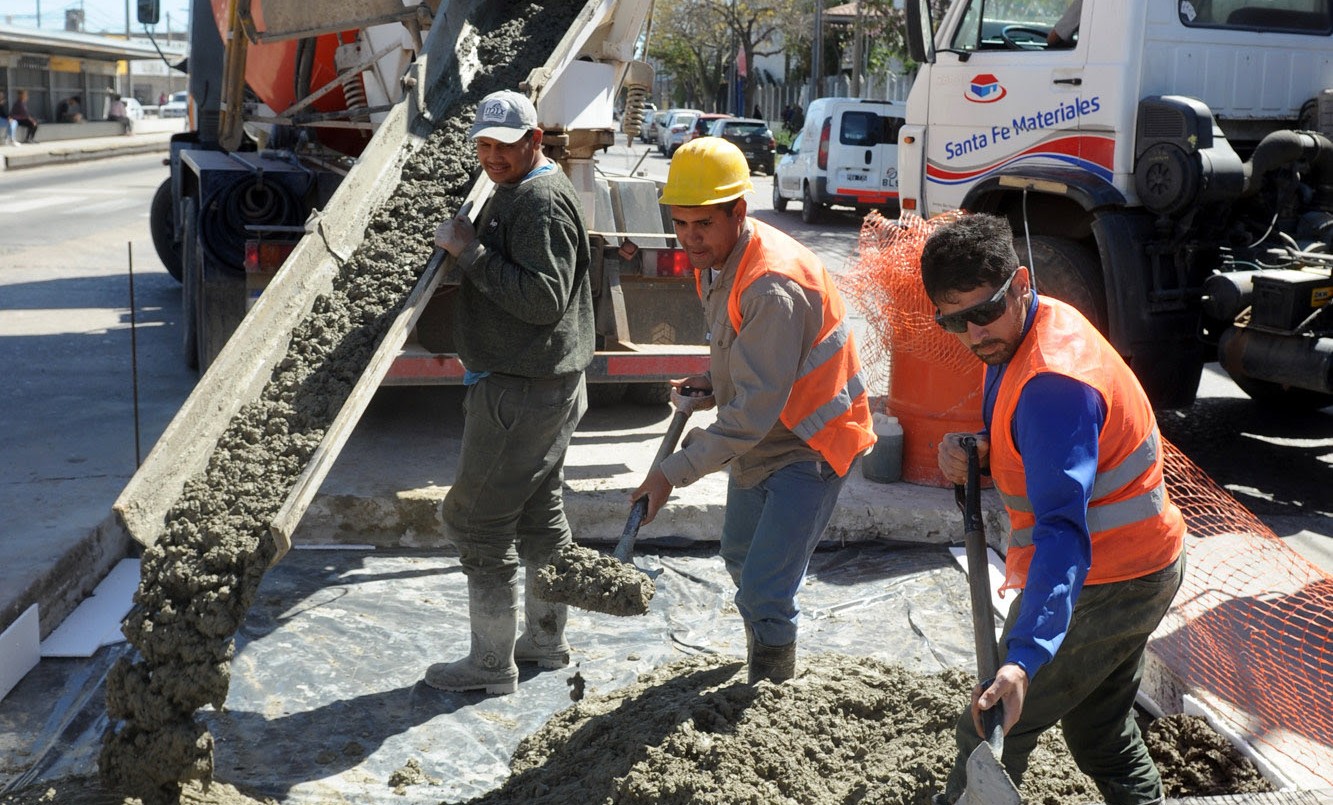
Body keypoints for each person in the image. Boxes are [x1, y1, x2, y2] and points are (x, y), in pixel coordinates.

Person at [920, 214, 1185, 805]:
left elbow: (1062, 534)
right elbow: (1048, 450)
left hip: (1109, 577)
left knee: (991, 722)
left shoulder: (1053, 383)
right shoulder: (1026, 329)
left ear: (1018, 282)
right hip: (1144, 563)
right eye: (954, 320)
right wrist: (983, 455)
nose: (973, 334)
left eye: (982, 312)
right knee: (1099, 734)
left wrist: (1024, 660)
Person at [631, 137, 876, 684]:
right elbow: (751, 359)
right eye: (682, 223)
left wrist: (669, 475)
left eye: (703, 225)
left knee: (766, 586)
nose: (690, 239)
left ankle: (769, 690)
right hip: (763, 436)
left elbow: (750, 417)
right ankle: (761, 646)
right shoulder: (720, 261)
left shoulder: (772, 284)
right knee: (740, 553)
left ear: (738, 212)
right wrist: (716, 383)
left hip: (811, 445)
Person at [426, 89, 594, 695]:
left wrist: (469, 252)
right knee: (538, 515)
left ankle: (491, 667)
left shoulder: (539, 203)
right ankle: (546, 644)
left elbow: (542, 300)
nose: (492, 156)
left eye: (505, 145)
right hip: (546, 384)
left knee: (475, 520)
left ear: (535, 141)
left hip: (522, 391)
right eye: (484, 145)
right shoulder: (521, 189)